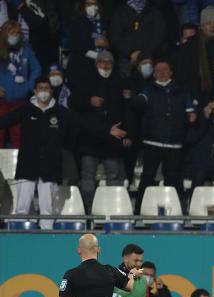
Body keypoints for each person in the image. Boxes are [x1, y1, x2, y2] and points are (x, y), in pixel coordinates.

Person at [0, 78, 75, 229]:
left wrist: (107, 131)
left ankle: (47, 237)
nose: (43, 91)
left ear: (51, 91)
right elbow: (4, 121)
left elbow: (82, 126)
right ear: (35, 91)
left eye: (46, 88)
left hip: (50, 168)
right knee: (22, 208)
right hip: (27, 166)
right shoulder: (26, 109)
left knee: (47, 210)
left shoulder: (61, 112)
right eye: (40, 88)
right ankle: (19, 237)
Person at [69, 50, 131, 213]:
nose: (105, 65)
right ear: (96, 64)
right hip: (90, 139)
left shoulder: (120, 82)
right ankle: (88, 210)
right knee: (88, 178)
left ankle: (111, 210)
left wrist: (128, 133)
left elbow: (127, 112)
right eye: (102, 62)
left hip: (112, 140)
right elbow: (72, 102)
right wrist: (88, 101)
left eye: (108, 62)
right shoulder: (85, 81)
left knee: (114, 177)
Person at [134, 61, 197, 213]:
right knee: (147, 178)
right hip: (152, 142)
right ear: (154, 74)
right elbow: (138, 103)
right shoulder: (148, 90)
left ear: (171, 72)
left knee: (174, 180)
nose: (162, 73)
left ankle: (178, 211)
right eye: (158, 70)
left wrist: (193, 115)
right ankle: (139, 211)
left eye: (165, 70)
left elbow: (191, 114)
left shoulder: (182, 92)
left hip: (174, 144)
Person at [173, 6, 214, 107]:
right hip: (199, 99)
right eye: (208, 23)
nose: (212, 27)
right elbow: (182, 76)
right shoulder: (191, 45)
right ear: (202, 25)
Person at [0, 20, 42, 148]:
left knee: (18, 137)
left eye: (17, 33)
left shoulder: (26, 50)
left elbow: (37, 69)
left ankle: (18, 167)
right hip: (1, 101)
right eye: (12, 32)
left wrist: (29, 86)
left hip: (20, 102)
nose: (15, 35)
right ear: (4, 34)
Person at [109, 0, 166, 79]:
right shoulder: (119, 12)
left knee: (147, 85)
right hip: (126, 59)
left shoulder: (154, 11)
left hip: (148, 58)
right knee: (126, 85)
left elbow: (159, 35)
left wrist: (144, 54)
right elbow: (115, 36)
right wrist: (130, 52)